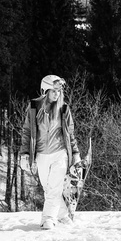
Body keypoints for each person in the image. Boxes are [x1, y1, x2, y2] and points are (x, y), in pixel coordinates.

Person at [20, 75, 82, 230]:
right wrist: (24, 153)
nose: (57, 94)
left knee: (54, 187)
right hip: (41, 154)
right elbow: (27, 131)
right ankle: (63, 215)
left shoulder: (64, 108)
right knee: (48, 188)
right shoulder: (34, 107)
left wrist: (75, 155)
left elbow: (70, 134)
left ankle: (48, 219)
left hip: (60, 153)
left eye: (59, 91)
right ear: (45, 90)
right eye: (54, 91)